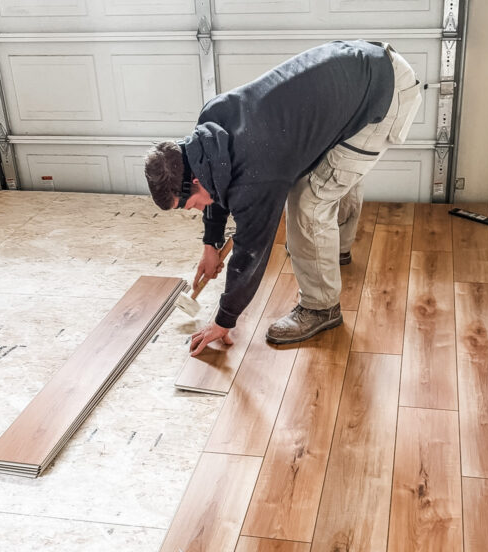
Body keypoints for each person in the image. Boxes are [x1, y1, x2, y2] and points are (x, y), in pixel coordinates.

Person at [144, 40, 422, 355]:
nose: (195, 209)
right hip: (362, 69)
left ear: (194, 180)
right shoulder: (210, 124)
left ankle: (321, 308)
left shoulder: (257, 173)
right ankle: (334, 251)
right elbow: (217, 182)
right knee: (326, 172)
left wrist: (224, 320)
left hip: (384, 96)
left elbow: (251, 253)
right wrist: (211, 244)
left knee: (309, 201)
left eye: (189, 204)